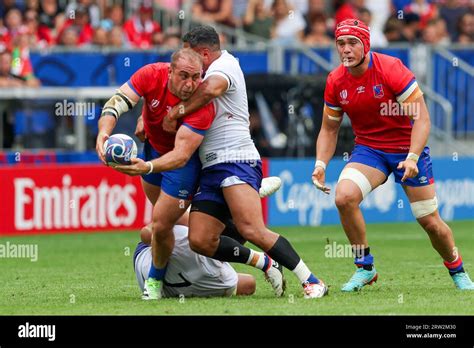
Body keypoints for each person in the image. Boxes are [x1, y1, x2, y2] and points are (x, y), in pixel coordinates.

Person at [96, 48, 283, 300]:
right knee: (172, 227)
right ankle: (239, 201)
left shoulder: (201, 104)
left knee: (159, 225)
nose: (190, 84)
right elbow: (117, 102)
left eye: (196, 77)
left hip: (181, 166)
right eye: (184, 76)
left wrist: (146, 167)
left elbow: (182, 155)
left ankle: (154, 280)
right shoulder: (151, 74)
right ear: (169, 71)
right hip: (152, 152)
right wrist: (104, 133)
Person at [163, 25, 328, 299]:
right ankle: (264, 261)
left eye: (192, 56)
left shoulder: (224, 66)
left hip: (236, 160)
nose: (190, 66)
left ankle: (312, 280)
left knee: (251, 228)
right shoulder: (204, 71)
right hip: (211, 168)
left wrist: (176, 111)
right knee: (200, 240)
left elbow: (211, 90)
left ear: (204, 53)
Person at [312, 19, 474, 291]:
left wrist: (412, 157)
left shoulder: (390, 69)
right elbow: (329, 129)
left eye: (352, 43)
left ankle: (457, 270)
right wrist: (320, 164)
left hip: (407, 148)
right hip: (369, 151)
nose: (346, 50)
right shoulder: (335, 81)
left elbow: (422, 119)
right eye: (341, 43)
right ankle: (365, 268)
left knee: (430, 222)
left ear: (366, 45)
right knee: (344, 197)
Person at [134, 224, 256, 298]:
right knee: (248, 284)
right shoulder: (225, 281)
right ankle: (154, 280)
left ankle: (154, 281)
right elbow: (249, 284)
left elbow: (147, 233)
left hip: (147, 265)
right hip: (150, 261)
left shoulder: (185, 235)